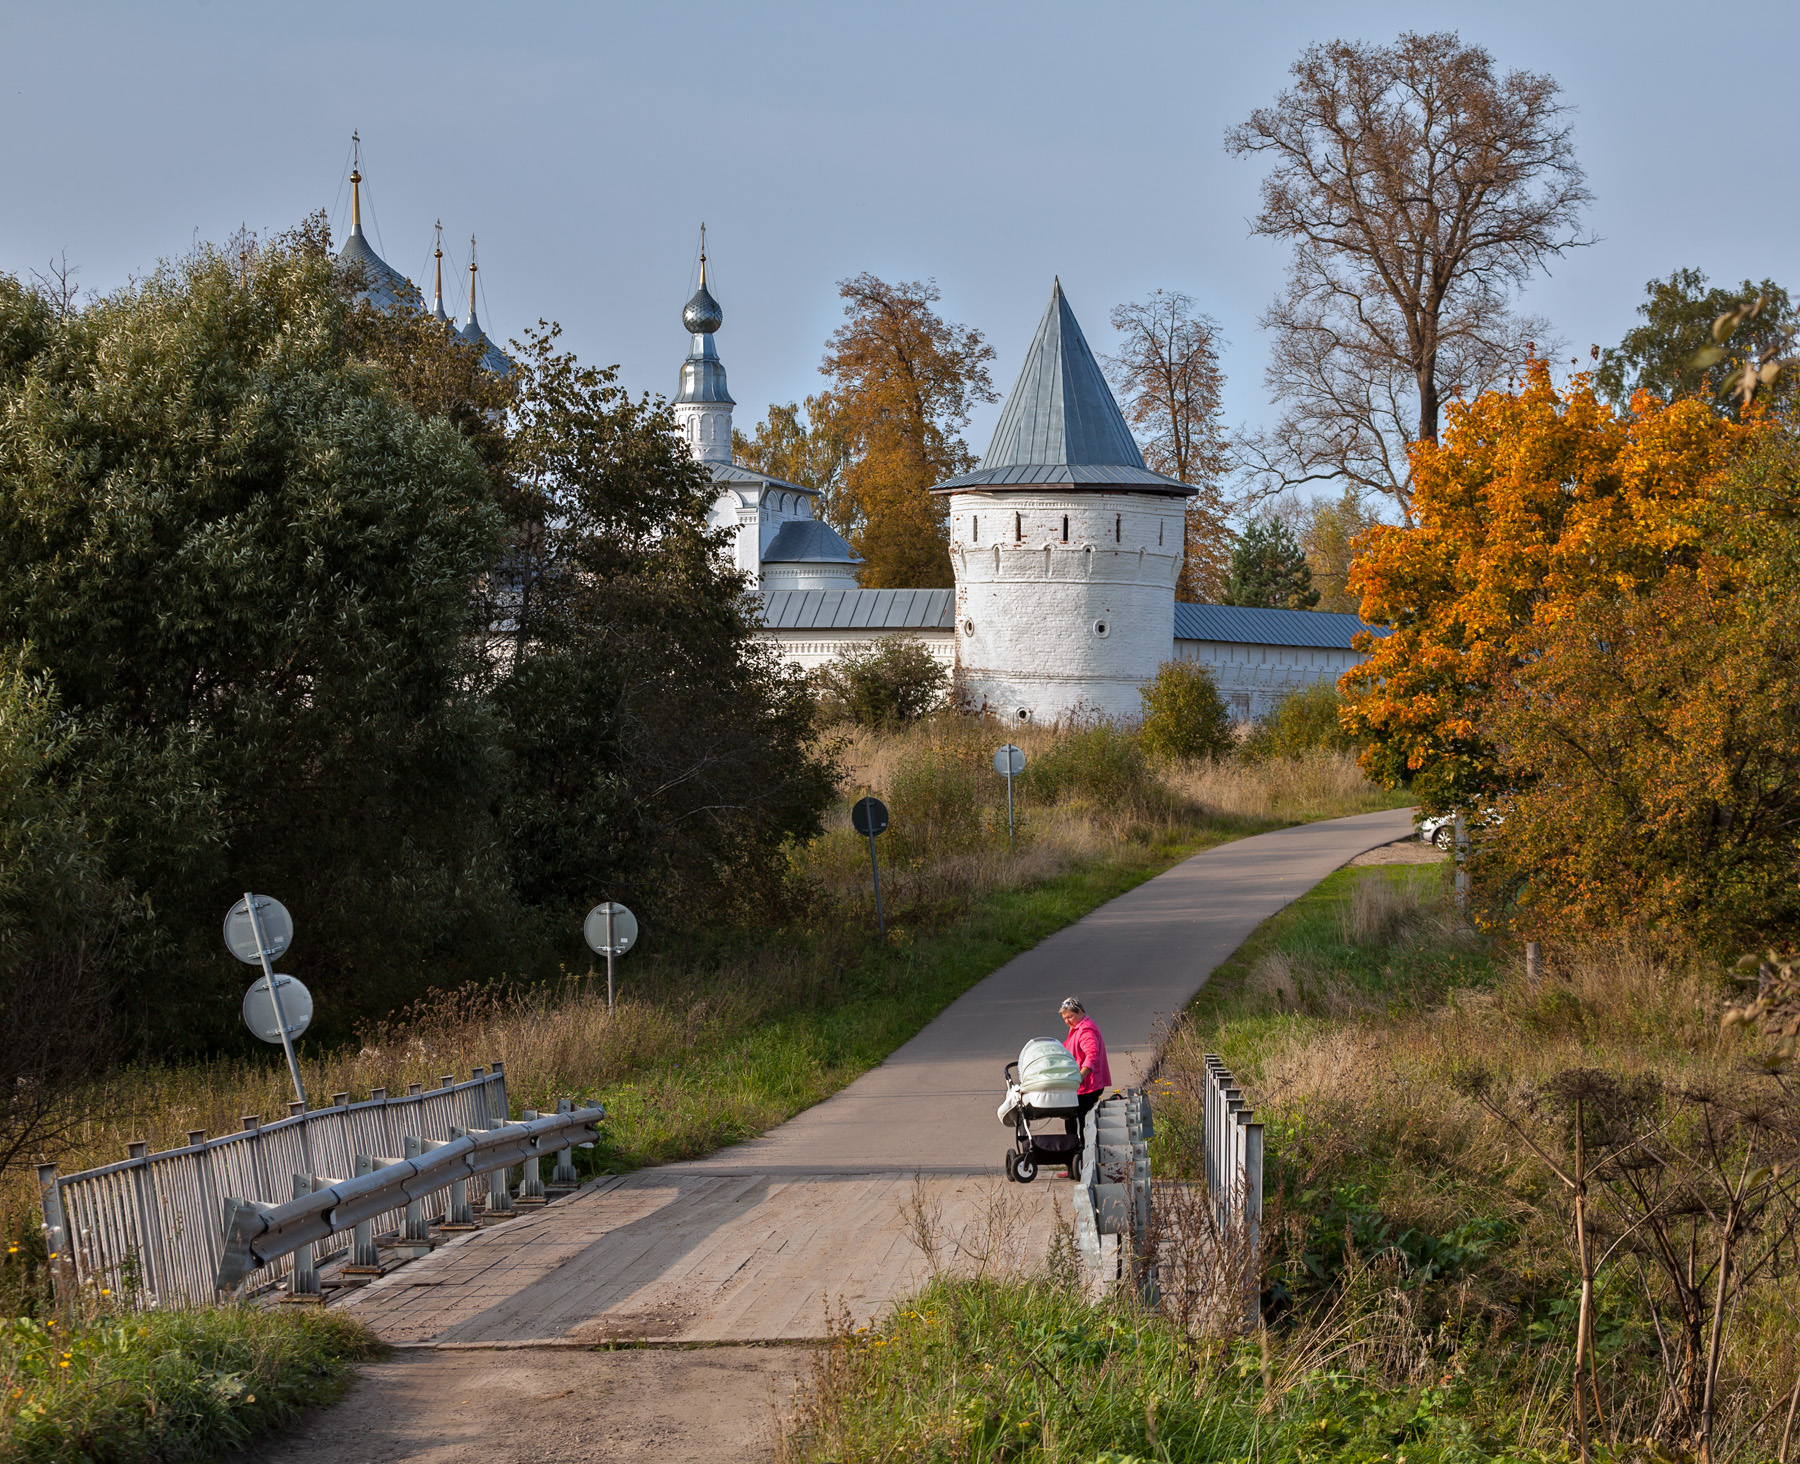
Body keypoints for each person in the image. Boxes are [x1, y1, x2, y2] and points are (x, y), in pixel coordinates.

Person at [1059, 997, 1110, 1138]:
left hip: (1088, 1085)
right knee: (1073, 1118)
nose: (1068, 1021)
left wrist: (1080, 1077)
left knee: (1082, 1120)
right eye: (1064, 1019)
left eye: (1070, 1016)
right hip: (1081, 1086)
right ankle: (1076, 1148)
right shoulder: (1077, 1029)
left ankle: (1080, 1150)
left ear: (1080, 1012)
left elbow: (1092, 1055)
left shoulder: (1085, 1030)